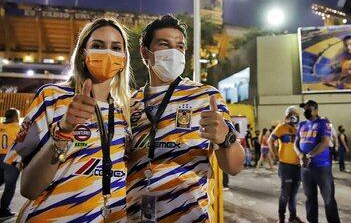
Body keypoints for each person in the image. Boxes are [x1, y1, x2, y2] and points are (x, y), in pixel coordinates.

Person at [5, 18, 132, 222]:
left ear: (124, 58)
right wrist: (64, 130)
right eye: (98, 46)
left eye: (116, 47)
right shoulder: (51, 97)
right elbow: (28, 189)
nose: (108, 53)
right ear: (83, 53)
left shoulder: (125, 111)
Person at [127, 15, 244, 222]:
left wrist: (226, 139)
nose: (174, 51)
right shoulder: (130, 103)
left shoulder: (206, 96)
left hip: (191, 217)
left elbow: (234, 167)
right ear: (145, 53)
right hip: (136, 216)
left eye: (179, 46)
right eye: (164, 44)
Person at [294, 100, 340, 223]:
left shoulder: (324, 123)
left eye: (308, 109)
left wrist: (308, 156)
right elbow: (296, 143)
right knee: (309, 198)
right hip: (305, 168)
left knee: (328, 198)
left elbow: (325, 142)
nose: (305, 111)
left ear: (315, 110)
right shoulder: (301, 124)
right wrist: (300, 155)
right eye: (304, 109)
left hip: (321, 167)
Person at [269, 106, 304, 223]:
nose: (296, 116)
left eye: (297, 114)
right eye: (293, 114)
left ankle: (292, 217)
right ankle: (281, 218)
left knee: (293, 195)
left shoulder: (299, 129)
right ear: (287, 115)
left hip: (298, 166)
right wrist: (274, 154)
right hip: (285, 166)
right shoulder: (281, 128)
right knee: (285, 194)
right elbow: (270, 140)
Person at [0, 108, 20, 218]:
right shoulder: (18, 128)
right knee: (10, 187)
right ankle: (3, 210)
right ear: (16, 117)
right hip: (11, 158)